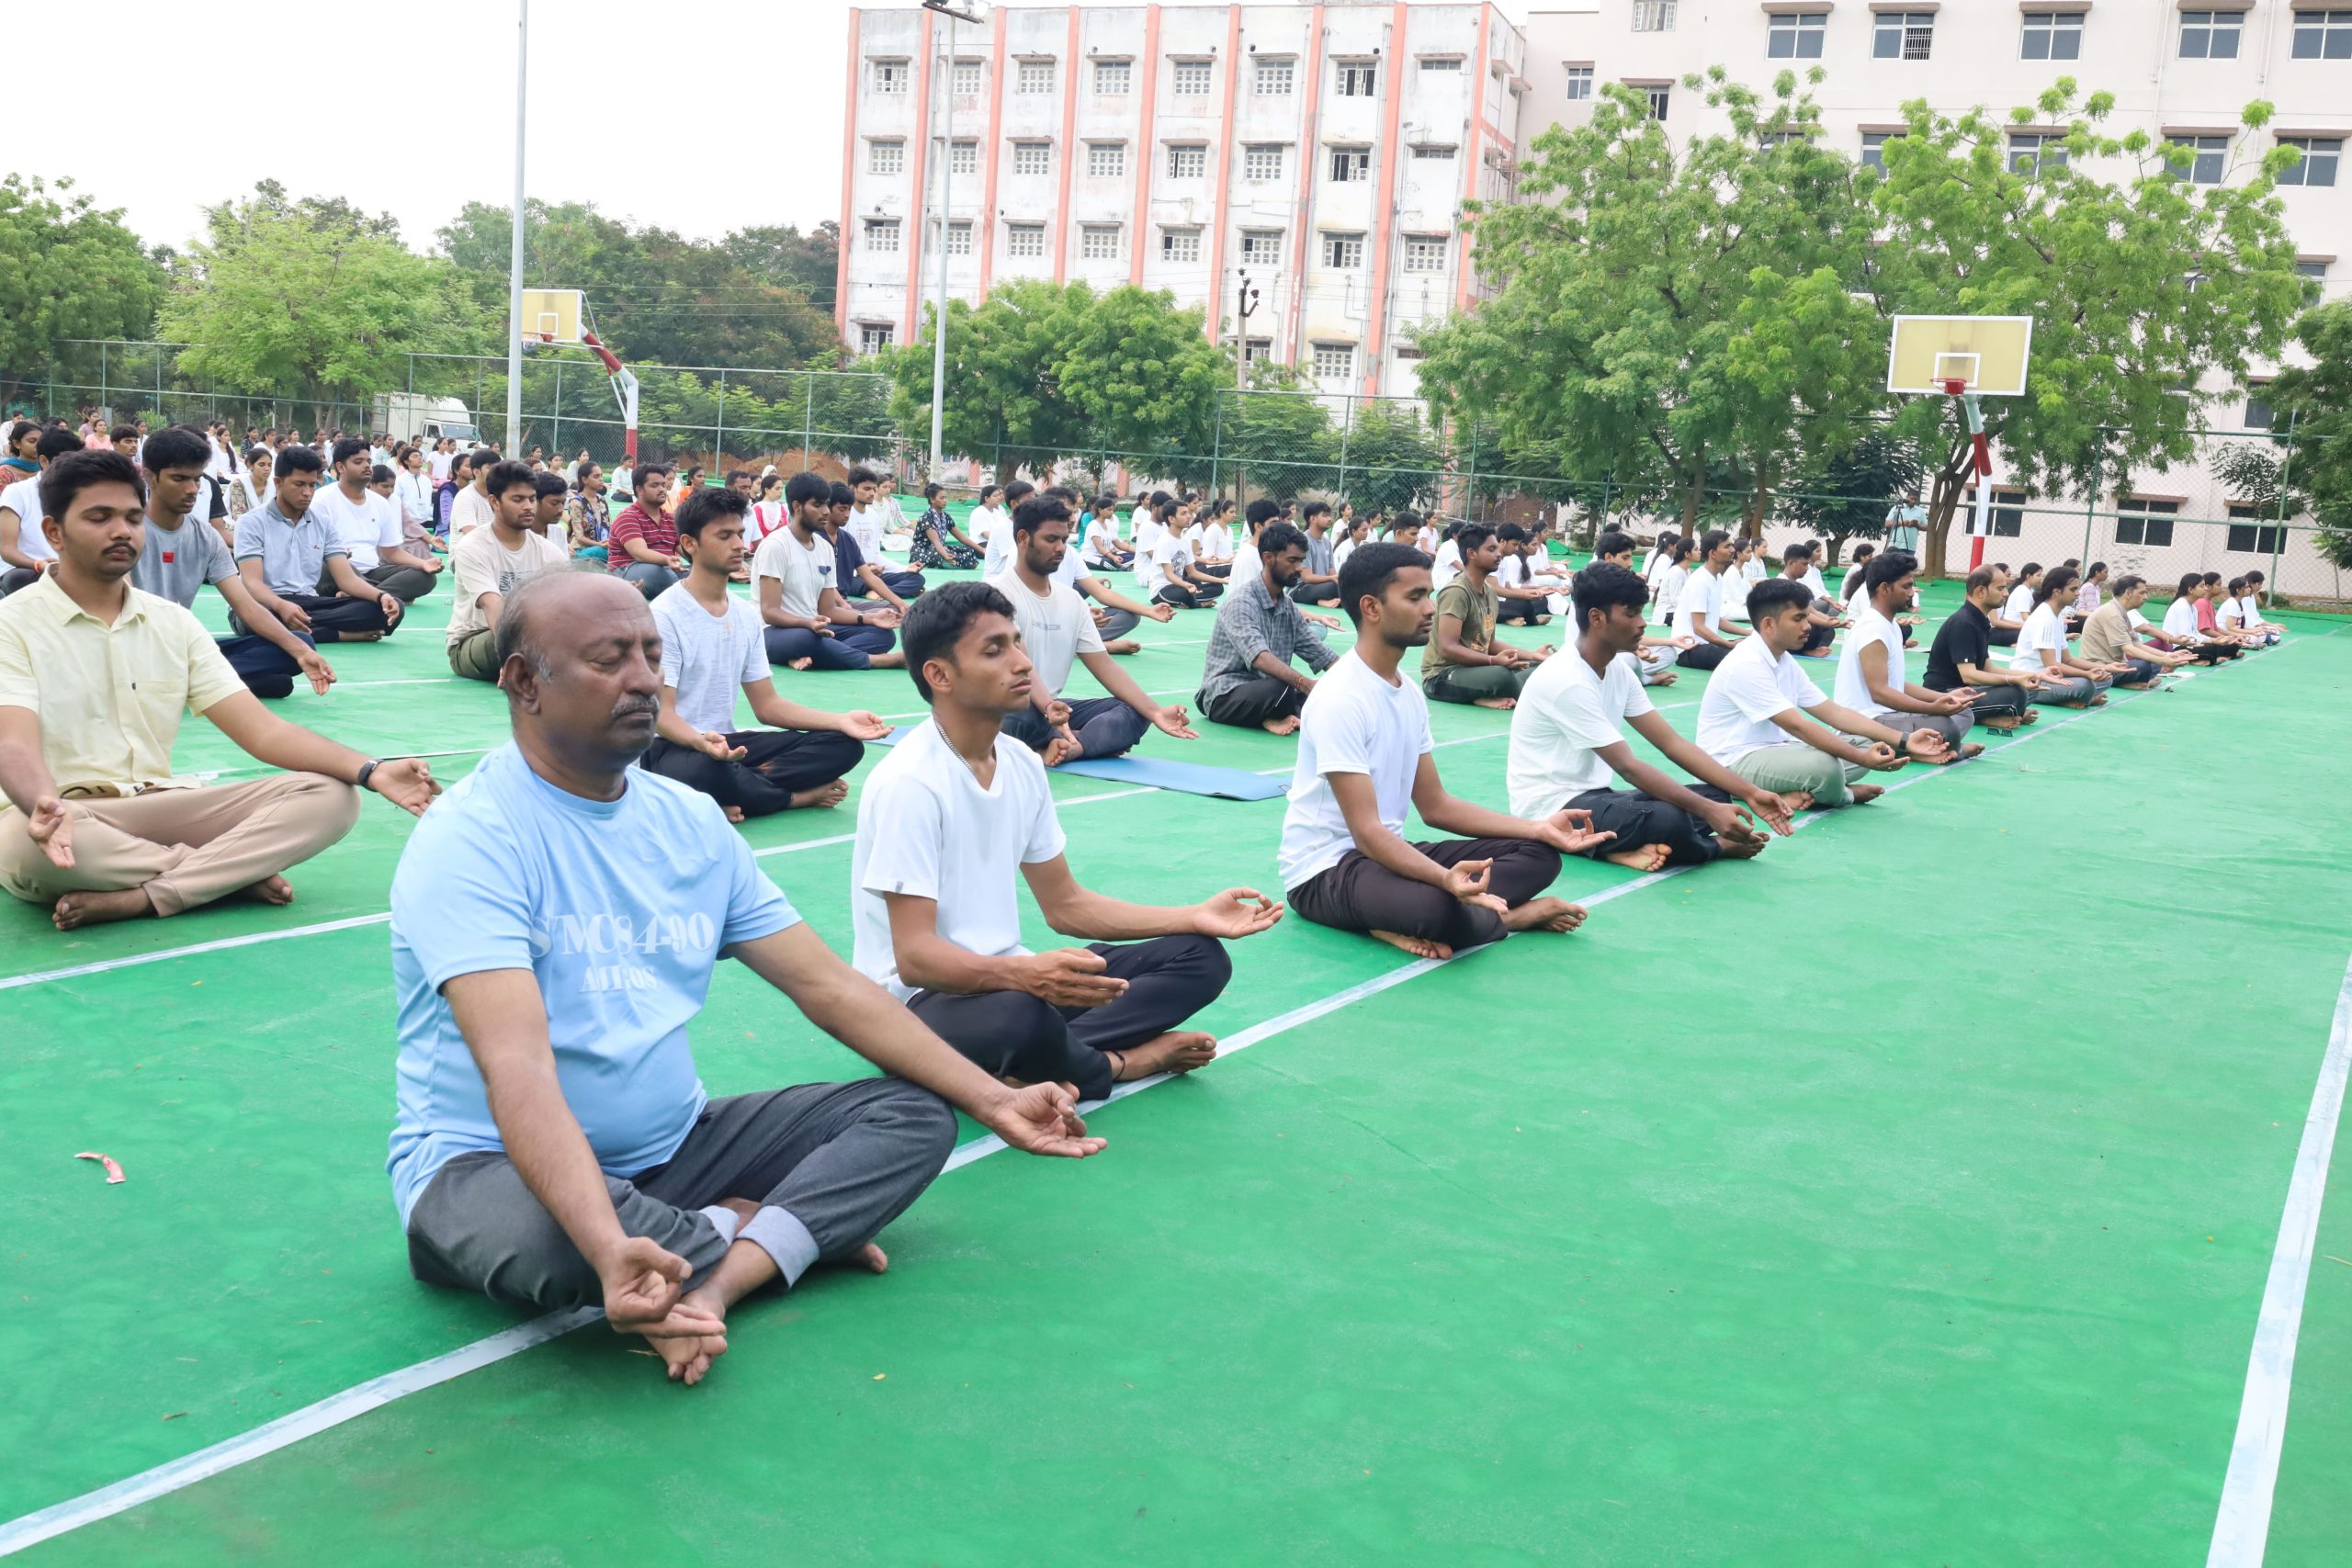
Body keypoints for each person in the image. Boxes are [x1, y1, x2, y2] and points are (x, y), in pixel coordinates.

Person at [388, 570, 1104, 1390]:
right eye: (610, 660)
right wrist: (609, 1238)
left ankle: (715, 1272)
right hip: (486, 1167)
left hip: (677, 1147)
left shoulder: (688, 822)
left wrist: (993, 1100)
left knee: (911, 1115)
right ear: (524, 682)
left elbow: (829, 987)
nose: (644, 680)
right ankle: (763, 1236)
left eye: (652, 655)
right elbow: (517, 1064)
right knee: (560, 1240)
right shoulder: (473, 838)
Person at [845, 579, 1280, 1109]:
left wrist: (1193, 916)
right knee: (1019, 1014)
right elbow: (915, 959)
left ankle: (1037, 1062)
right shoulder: (910, 783)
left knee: (1199, 957)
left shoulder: (1022, 764)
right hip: (920, 1004)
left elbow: (1066, 905)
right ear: (940, 675)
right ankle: (1118, 1064)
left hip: (1013, 981)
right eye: (995, 650)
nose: (1023, 663)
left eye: (1017, 642)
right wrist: (1026, 977)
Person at [0, 450, 438, 931]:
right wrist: (43, 804)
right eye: (99, 518)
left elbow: (264, 732)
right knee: (25, 845)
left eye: (132, 518)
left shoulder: (172, 622)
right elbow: (13, 744)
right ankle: (223, 875)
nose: (122, 531)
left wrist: (372, 770)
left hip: (160, 802)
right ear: (54, 532)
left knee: (332, 796)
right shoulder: (12, 624)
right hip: (62, 811)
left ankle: (150, 893)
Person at [1279, 543, 1611, 961]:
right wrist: (1443, 880)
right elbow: (1366, 832)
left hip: (1387, 855)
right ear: (1371, 607)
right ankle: (1509, 917)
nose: (1431, 609)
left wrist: (1539, 828)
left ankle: (1431, 913)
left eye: (1429, 595)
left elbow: (1436, 806)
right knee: (1436, 906)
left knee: (1539, 855)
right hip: (1325, 870)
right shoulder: (1341, 698)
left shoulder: (1407, 692)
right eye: (1415, 597)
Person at [1507, 563, 1792, 874]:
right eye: (1631, 614)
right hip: (1553, 809)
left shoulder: (1617, 670)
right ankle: (1713, 848)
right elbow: (1628, 767)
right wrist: (1709, 812)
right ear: (1597, 618)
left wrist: (1750, 792)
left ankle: (1620, 847)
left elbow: (1672, 743)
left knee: (1714, 794)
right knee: (1670, 819)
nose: (1642, 623)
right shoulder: (1567, 680)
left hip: (1599, 798)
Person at [643, 488, 884, 819]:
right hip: (674, 747)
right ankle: (792, 798)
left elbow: (767, 706)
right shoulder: (665, 615)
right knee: (705, 771)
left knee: (844, 745)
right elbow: (662, 715)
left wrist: (840, 721)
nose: (739, 545)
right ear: (689, 544)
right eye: (724, 536)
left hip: (727, 744)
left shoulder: (744, 614)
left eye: (740, 533)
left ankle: (734, 791)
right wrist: (701, 743)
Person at [1695, 579, 1937, 811]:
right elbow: (1798, 726)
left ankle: (1796, 790)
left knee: (1866, 744)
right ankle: (1846, 794)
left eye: (1806, 617)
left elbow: (1833, 712)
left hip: (1779, 750)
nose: (1808, 626)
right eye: (1798, 619)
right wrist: (1862, 759)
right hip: (1733, 760)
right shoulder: (1746, 664)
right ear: (1768, 624)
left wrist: (1903, 739)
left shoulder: (1784, 660)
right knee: (1826, 767)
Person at [134, 426, 333, 702]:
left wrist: (300, 652)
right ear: (149, 476)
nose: (192, 489)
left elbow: (246, 606)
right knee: (272, 682)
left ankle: (175, 682)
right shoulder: (126, 532)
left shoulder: (205, 537)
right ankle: (176, 680)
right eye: (179, 479)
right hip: (133, 651)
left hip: (180, 652)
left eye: (197, 479)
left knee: (299, 645)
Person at [989, 496, 1193, 763]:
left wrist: (1155, 712)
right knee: (1017, 715)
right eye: (1051, 539)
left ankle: (1072, 746)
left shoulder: (1072, 600)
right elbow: (1021, 668)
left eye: (1064, 540)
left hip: (1051, 710)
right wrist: (1048, 707)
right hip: (1012, 707)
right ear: (1023, 538)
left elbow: (1104, 666)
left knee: (1133, 710)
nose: (1060, 548)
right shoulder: (997, 596)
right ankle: (1070, 739)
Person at [232, 446, 401, 643]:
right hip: (265, 603)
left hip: (309, 603)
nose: (307, 493)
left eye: (312, 485)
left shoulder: (323, 522)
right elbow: (252, 583)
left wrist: (381, 596)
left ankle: (301, 629)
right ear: (278, 483)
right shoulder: (251, 522)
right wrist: (280, 605)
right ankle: (339, 634)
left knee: (391, 607)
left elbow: (346, 579)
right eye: (299, 484)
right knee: (256, 617)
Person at [1196, 521, 1341, 735]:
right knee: (1285, 687)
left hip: (1273, 691)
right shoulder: (1241, 603)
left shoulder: (1288, 606)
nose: (1299, 568)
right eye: (1292, 560)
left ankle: (1282, 716)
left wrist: (1356, 678)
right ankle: (1276, 716)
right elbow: (1259, 657)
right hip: (1225, 694)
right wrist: (1303, 683)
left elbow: (1320, 653)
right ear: (1268, 558)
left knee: (1330, 693)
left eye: (1301, 561)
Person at [1835, 550, 1984, 759]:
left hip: (1890, 715)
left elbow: (1896, 684)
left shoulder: (1890, 625)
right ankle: (1944, 750)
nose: (1912, 593)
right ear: (1885, 589)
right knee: (1944, 726)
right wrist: (1933, 708)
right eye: (1906, 587)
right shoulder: (1872, 628)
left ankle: (1930, 748)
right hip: (1866, 722)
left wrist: (1945, 698)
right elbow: (1880, 693)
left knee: (1963, 712)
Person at [750, 471, 903, 671]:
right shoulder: (776, 546)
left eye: (826, 504)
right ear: (797, 506)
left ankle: (818, 656)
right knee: (807, 639)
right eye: (817, 505)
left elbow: (828, 610)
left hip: (815, 626)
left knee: (882, 634)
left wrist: (869, 617)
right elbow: (769, 612)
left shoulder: (823, 548)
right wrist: (807, 623)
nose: (825, 511)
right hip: (776, 632)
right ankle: (879, 660)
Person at [446, 461, 571, 681]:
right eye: (518, 499)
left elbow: (569, 601)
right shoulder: (472, 546)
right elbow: (491, 604)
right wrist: (507, 656)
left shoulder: (547, 550)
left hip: (530, 633)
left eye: (532, 499)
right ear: (494, 502)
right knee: (530, 639)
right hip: (477, 639)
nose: (528, 507)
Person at [1421, 524, 1546, 708]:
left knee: (1539, 667)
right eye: (1491, 549)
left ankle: (1488, 693)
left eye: (1497, 548)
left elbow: (1491, 644)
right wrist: (1493, 661)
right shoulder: (1457, 592)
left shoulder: (1488, 592)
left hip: (1478, 669)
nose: (1499, 554)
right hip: (1442, 676)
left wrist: (1533, 655)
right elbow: (1448, 647)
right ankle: (1500, 692)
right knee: (1501, 675)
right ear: (1472, 553)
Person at [311, 438, 442, 604]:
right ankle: (374, 594)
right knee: (325, 566)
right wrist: (337, 556)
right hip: (338, 570)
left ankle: (361, 595)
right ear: (340, 467)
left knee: (425, 577)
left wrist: (423, 563)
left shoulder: (380, 502)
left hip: (372, 572)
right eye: (358, 462)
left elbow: (392, 552)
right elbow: (312, 550)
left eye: (369, 461)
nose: (367, 466)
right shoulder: (322, 499)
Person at [1923, 566, 2043, 731]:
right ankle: (1992, 716)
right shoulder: (1964, 622)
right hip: (1946, 693)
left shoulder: (1980, 620)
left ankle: (1999, 713)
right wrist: (2013, 680)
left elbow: (1988, 668)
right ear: (1981, 591)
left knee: (2031, 688)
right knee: (2017, 693)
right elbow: (1969, 675)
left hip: (1969, 691)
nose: (2006, 593)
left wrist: (2031, 675)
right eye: (2000, 588)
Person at [1589, 529, 1694, 685]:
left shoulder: (1616, 586)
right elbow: (1596, 641)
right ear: (1608, 557)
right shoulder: (1593, 587)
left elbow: (1627, 636)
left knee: (1668, 651)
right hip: (1594, 658)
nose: (1631, 563)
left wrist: (1672, 641)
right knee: (1630, 659)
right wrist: (1632, 650)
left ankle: (1629, 674)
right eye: (1625, 558)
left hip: (1618, 652)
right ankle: (1644, 678)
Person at [2007, 564, 2119, 705]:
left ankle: (2076, 698)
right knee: (2086, 685)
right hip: (2034, 680)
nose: (2078, 593)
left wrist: (2105, 667)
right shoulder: (2044, 618)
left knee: (2106, 678)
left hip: (2053, 677)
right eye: (2073, 589)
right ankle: (2074, 698)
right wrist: (2086, 674)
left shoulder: (2056, 616)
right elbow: (2051, 665)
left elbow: (2068, 660)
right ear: (2057, 592)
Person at [0, 428, 82, 593]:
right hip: (26, 569)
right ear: (44, 461)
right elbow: (7, 549)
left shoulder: (81, 494)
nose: (72, 470)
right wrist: (38, 564)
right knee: (23, 580)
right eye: (65, 464)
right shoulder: (17, 492)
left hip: (68, 570)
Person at [2078, 574, 2191, 689]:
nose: (2145, 597)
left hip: (2118, 664)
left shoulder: (2121, 612)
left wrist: (2169, 655)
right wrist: (2163, 660)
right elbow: (2129, 649)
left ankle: (2135, 681)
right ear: (2128, 593)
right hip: (2102, 667)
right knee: (2143, 665)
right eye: (2142, 593)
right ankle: (2129, 682)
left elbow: (2137, 644)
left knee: (2154, 664)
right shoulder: (2112, 613)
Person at [606, 463, 686, 600]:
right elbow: (639, 553)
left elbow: (686, 551)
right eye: (655, 486)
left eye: (663, 485)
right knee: (657, 574)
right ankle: (682, 587)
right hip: (629, 569)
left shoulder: (670, 519)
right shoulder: (628, 516)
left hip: (666, 569)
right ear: (639, 489)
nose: (662, 489)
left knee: (702, 574)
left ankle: (681, 586)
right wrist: (666, 560)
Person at [845, 467, 923, 599]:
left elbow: (876, 556)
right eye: (866, 489)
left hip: (874, 575)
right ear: (853, 488)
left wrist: (905, 569)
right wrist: (862, 571)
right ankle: (885, 590)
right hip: (853, 576)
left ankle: (878, 592)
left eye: (873, 489)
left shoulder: (872, 515)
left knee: (917, 579)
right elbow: (838, 562)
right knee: (856, 582)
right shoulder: (844, 515)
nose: (872, 493)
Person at [1670, 528, 1741, 671]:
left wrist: (1748, 633)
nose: (1733, 550)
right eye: (1727, 546)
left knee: (1751, 649)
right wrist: (1728, 644)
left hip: (1707, 644)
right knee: (1741, 659)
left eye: (1732, 545)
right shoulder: (1700, 581)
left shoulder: (1718, 578)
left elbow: (1716, 618)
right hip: (1689, 649)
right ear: (1713, 553)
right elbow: (1699, 627)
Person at [2151, 573, 2242, 663]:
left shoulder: (2193, 607)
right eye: (2201, 586)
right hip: (2177, 646)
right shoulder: (2182, 606)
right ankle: (2203, 659)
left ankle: (2209, 658)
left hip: (2191, 643)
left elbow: (2196, 633)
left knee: (2231, 645)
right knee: (2211, 648)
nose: (2205, 589)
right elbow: (2186, 638)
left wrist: (2215, 640)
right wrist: (2212, 642)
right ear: (2191, 590)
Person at [1148, 502, 1223, 608]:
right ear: (1171, 519)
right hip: (1163, 591)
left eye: (1188, 513)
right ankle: (1199, 604)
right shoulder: (1164, 541)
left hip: (1180, 586)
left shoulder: (1184, 541)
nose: (1188, 516)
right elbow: (1169, 575)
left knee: (1218, 588)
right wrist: (1186, 585)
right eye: (1183, 514)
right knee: (1184, 592)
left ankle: (1187, 600)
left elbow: (1193, 573)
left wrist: (1222, 580)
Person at [1775, 542, 1843, 656]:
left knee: (1827, 630)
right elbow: (1803, 614)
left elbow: (1811, 610)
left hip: (1794, 626)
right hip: (1782, 631)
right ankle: (1803, 651)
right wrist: (1826, 622)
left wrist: (1833, 621)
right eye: (1804, 564)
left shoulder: (1796, 585)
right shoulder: (1782, 584)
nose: (1807, 568)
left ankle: (1808, 649)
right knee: (1813, 626)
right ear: (1791, 563)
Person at [1493, 524, 1561, 626]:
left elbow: (1509, 588)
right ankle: (1532, 621)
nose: (1516, 549)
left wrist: (1535, 592)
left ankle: (1512, 618)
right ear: (1502, 541)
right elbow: (1495, 589)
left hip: (1503, 602)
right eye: (1514, 544)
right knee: (1525, 605)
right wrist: (1525, 595)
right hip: (1489, 605)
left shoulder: (1504, 561)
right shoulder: (1492, 559)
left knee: (1541, 600)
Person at [910, 482, 982, 569]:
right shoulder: (927, 517)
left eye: (945, 498)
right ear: (932, 499)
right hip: (923, 552)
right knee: (939, 554)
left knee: (968, 550)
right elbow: (936, 542)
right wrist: (946, 555)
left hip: (940, 549)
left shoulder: (946, 517)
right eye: (942, 498)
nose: (945, 500)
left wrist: (982, 550)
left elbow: (962, 538)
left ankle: (952, 562)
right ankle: (950, 562)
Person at [448, 448, 503, 536]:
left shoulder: (501, 495)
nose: (496, 472)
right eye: (490, 468)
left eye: (498, 468)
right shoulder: (465, 497)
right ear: (476, 472)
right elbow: (471, 536)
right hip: (472, 544)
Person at [565, 461, 612, 561]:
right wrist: (598, 544)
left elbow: (609, 526)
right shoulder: (576, 502)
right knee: (604, 551)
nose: (601, 479)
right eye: (596, 476)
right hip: (582, 549)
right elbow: (579, 537)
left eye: (601, 475)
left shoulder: (602, 500)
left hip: (603, 546)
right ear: (584, 479)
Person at [1884, 490, 1926, 555]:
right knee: (1893, 561)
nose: (1913, 501)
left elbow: (1926, 527)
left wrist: (1917, 525)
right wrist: (1901, 523)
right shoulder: (1897, 508)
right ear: (1907, 497)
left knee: (1908, 561)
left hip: (1910, 546)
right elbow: (1887, 523)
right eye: (1912, 499)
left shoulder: (1920, 511)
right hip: (1896, 545)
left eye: (1916, 500)